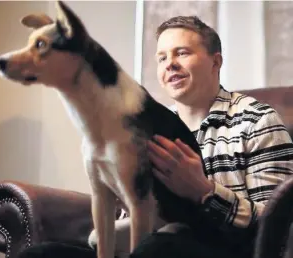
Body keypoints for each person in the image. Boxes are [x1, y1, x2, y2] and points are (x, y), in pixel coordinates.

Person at [18, 15, 293, 258]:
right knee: (40, 254)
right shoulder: (142, 125)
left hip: (217, 248)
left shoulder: (258, 120)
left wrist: (203, 191)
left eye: (182, 53)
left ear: (215, 61)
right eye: (162, 58)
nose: (170, 64)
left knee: (160, 248)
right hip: (141, 244)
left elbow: (277, 226)